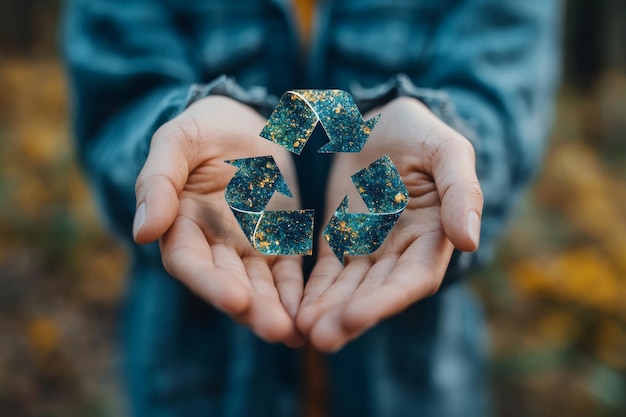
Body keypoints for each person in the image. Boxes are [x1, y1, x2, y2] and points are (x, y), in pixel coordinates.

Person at [63, 0, 561, 416]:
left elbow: (502, 99)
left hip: (414, 378)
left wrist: (449, 143)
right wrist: (178, 137)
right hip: (194, 372)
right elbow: (115, 101)